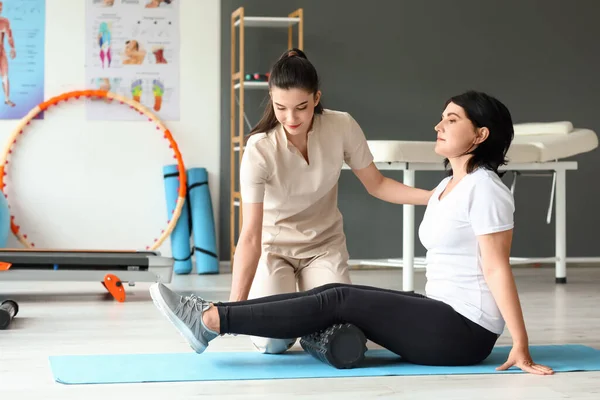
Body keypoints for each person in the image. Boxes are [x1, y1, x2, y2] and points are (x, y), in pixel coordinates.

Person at [150, 89, 555, 375]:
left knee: (340, 296)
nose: (438, 125)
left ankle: (208, 318)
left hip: (466, 331)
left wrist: (520, 343)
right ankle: (222, 320)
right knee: (331, 298)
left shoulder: (486, 188)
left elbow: (497, 267)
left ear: (481, 135)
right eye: (442, 116)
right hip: (442, 313)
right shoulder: (448, 187)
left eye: (452, 120)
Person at [226, 48, 433, 354]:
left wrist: (435, 197)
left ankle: (313, 323)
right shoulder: (259, 149)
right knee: (272, 342)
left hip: (323, 247)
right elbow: (251, 236)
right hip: (275, 249)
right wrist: (231, 311)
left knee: (336, 322)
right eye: (281, 107)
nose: (291, 118)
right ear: (271, 99)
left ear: (317, 98)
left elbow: (377, 184)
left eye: (301, 107)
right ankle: (302, 322)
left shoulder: (342, 126)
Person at [0, 1, 15, 107]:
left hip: (1, 52)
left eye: (0, 8)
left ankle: (7, 99)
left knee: (5, 75)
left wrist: (13, 48)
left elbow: (9, 36)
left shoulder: (5, 22)